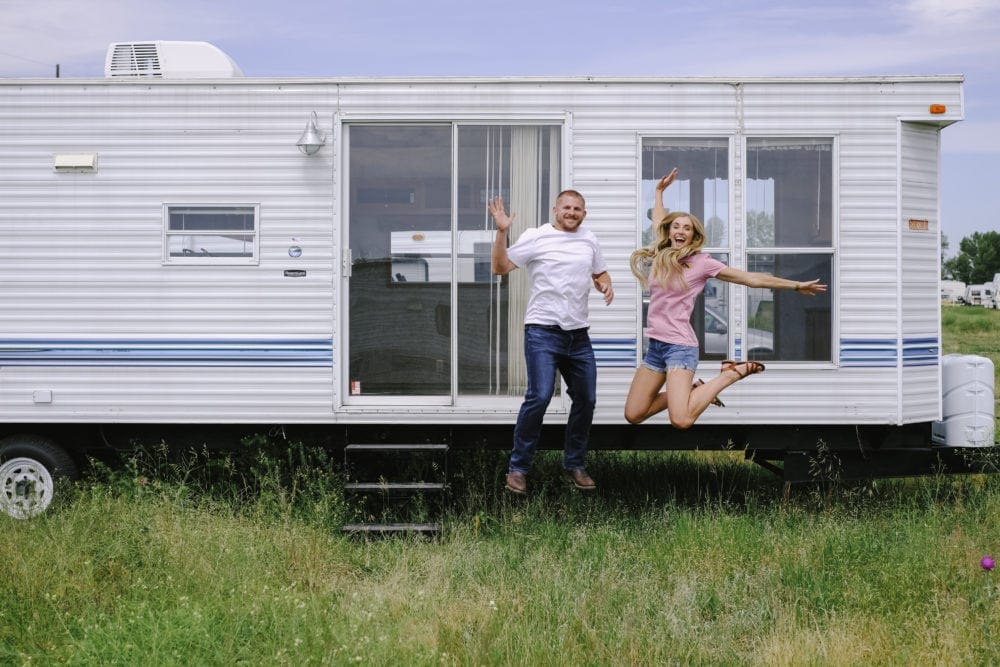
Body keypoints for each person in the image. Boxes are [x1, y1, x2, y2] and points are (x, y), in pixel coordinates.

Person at [624, 168, 827, 428]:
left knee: (681, 420)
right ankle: (695, 388)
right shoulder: (662, 254)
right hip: (656, 347)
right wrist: (659, 192)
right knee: (634, 413)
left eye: (687, 228)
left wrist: (796, 285)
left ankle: (729, 375)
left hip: (679, 348)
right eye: (676, 226)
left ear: (694, 236)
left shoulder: (702, 263)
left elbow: (751, 278)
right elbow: (659, 222)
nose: (680, 231)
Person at [489, 190, 614, 495]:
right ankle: (518, 469)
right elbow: (500, 267)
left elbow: (600, 272)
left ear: (584, 213)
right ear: (555, 210)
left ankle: (574, 464)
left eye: (577, 209)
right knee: (540, 396)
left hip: (578, 336)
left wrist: (605, 283)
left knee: (587, 399)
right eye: (566, 207)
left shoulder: (590, 239)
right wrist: (502, 231)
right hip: (542, 332)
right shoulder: (537, 236)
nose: (572, 212)